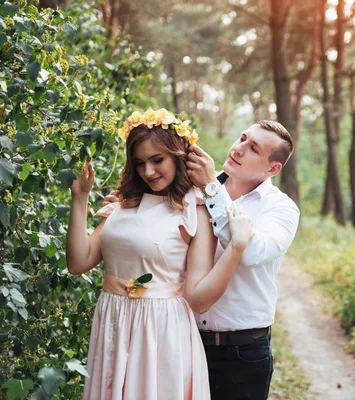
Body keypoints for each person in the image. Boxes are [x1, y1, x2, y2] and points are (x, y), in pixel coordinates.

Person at [66, 108, 255, 399]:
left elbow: (200, 300)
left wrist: (237, 247)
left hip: (162, 331)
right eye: (140, 163)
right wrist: (80, 198)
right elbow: (79, 262)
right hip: (113, 325)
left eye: (158, 160)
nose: (148, 172)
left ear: (179, 156)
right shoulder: (123, 204)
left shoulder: (195, 210)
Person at [186, 120, 300, 400]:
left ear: (272, 168)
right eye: (241, 138)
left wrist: (211, 188)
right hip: (184, 341)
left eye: (253, 148)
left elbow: (248, 252)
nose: (238, 149)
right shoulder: (193, 191)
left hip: (241, 354)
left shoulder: (281, 208)